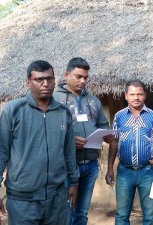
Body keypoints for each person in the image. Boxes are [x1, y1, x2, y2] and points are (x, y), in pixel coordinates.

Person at [0, 60, 80, 225]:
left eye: (50, 79)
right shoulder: (13, 110)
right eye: (39, 79)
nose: (46, 84)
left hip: (56, 198)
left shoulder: (63, 112)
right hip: (23, 201)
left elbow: (68, 152)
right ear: (28, 82)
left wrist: (73, 182)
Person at [53, 57, 112, 225]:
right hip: (66, 167)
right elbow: (47, 132)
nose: (83, 81)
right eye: (78, 76)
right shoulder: (54, 100)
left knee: (82, 214)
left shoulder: (93, 100)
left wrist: (105, 134)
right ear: (66, 75)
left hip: (91, 165)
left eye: (86, 77)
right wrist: (70, 140)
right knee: (66, 214)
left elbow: (102, 124)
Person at [105, 79, 153, 225]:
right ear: (125, 96)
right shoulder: (119, 116)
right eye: (132, 94)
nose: (136, 97)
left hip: (147, 171)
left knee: (149, 216)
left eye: (139, 94)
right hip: (124, 172)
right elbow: (114, 141)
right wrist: (110, 168)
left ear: (145, 96)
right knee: (121, 215)